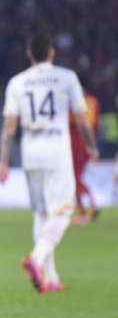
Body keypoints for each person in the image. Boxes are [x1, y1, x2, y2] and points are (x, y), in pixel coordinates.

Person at [0, 33, 97, 293]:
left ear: (30, 53)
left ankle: (50, 278)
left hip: (30, 153)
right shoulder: (67, 78)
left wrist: (3, 162)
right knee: (63, 210)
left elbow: (9, 127)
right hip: (57, 152)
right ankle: (37, 258)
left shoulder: (17, 82)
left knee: (41, 213)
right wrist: (91, 145)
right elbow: (82, 119)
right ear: (51, 52)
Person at [69, 89, 101, 224]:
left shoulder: (76, 102)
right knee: (79, 177)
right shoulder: (94, 101)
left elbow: (72, 122)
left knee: (75, 178)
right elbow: (97, 124)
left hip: (76, 142)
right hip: (89, 143)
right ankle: (92, 206)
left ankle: (85, 210)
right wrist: (93, 146)